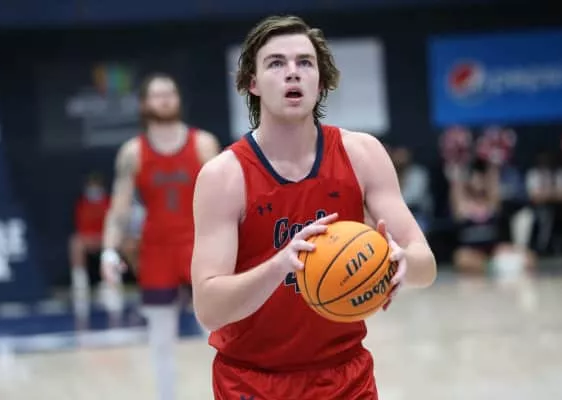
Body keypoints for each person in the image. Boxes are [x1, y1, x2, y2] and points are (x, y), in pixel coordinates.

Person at [190, 15, 436, 400]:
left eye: (305, 62)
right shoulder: (224, 176)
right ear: (252, 83)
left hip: (345, 376)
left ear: (320, 82)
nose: (293, 72)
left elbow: (426, 265)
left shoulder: (362, 154)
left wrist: (399, 263)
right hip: (252, 381)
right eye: (276, 63)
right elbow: (208, 308)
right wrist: (280, 265)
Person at [99, 72, 220, 400]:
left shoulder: (203, 143)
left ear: (179, 99)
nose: (165, 99)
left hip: (198, 246)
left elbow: (226, 198)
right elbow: (120, 208)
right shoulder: (133, 152)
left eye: (170, 93)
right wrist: (109, 251)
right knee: (161, 340)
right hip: (156, 250)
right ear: (144, 104)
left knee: (219, 334)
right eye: (157, 94)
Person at [449, 159, 535, 275]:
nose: (478, 181)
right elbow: (456, 189)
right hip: (472, 251)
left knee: (529, 257)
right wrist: (459, 167)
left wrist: (492, 161)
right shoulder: (463, 206)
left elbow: (493, 181)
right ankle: (495, 267)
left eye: (482, 178)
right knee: (461, 257)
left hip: (494, 249)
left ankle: (497, 266)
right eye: (475, 177)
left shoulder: (492, 203)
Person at [69, 172, 111, 326]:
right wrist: (90, 239)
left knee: (112, 244)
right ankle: (80, 284)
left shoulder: (108, 202)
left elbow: (112, 226)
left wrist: (103, 238)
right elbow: (81, 227)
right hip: (89, 239)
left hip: (106, 238)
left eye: (96, 186)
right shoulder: (82, 204)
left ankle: (110, 281)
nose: (93, 190)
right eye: (91, 186)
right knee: (76, 243)